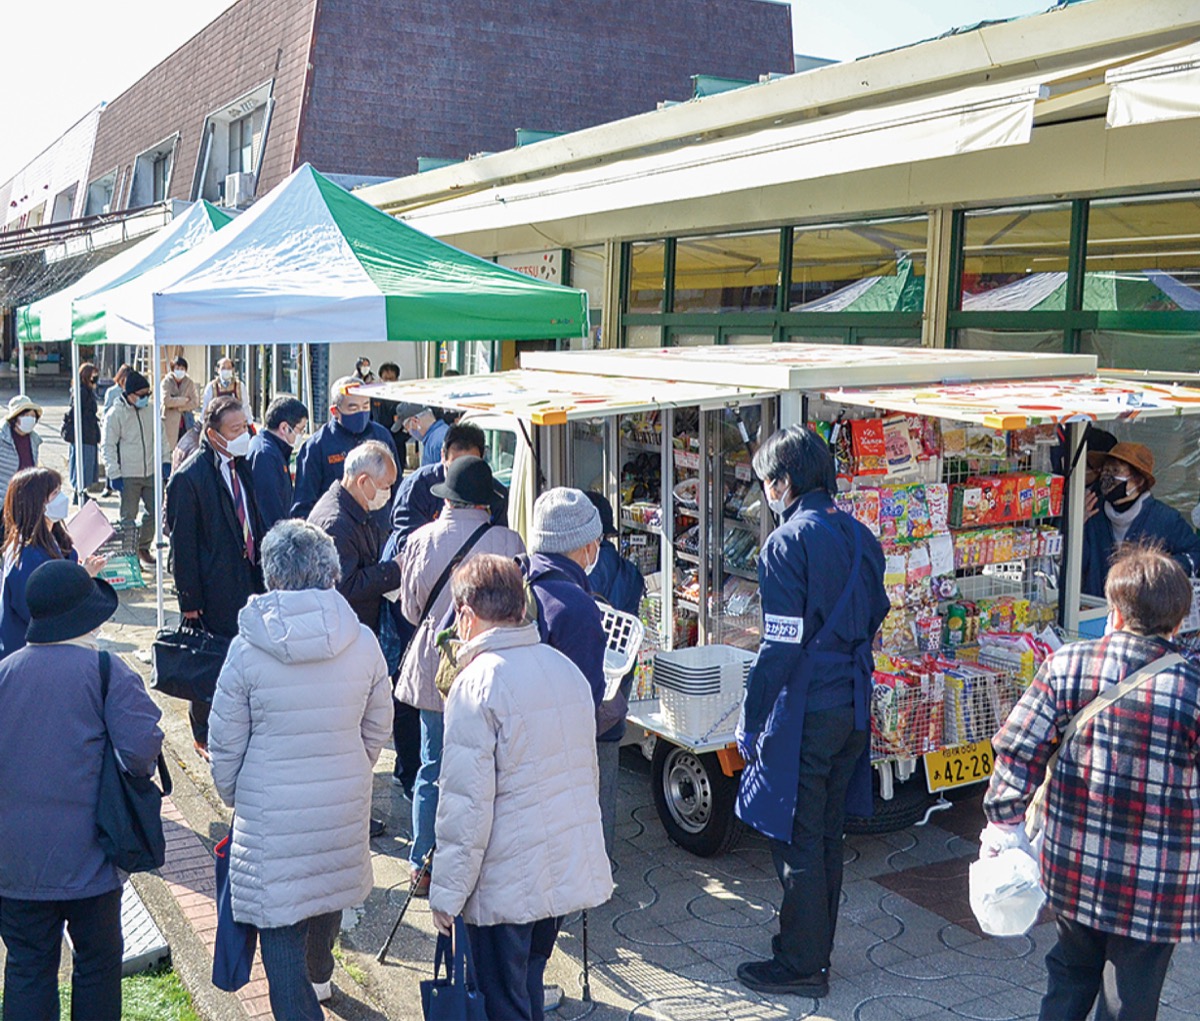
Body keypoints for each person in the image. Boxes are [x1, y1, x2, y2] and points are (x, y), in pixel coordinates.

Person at [984, 544, 1200, 1021]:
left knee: (1068, 975)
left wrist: (1005, 822)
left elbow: (1018, 748)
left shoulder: (1068, 664)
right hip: (1157, 881)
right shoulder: (1191, 686)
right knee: (1130, 997)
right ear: (1178, 623)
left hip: (1074, 863)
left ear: (1115, 612)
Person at [208, 519, 391, 1019]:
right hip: (341, 801)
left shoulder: (247, 649)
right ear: (331, 571)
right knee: (327, 888)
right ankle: (322, 975)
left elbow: (225, 742)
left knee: (280, 933)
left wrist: (232, 793)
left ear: (271, 574)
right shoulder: (363, 641)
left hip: (271, 812)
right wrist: (354, 765)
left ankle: (305, 997)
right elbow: (379, 726)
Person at [733, 425, 889, 998]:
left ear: (786, 481)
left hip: (806, 707)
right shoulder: (861, 535)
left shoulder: (786, 544)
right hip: (854, 704)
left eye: (767, 482)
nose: (765, 492)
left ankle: (799, 963)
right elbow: (879, 611)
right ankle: (815, 954)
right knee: (826, 834)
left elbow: (777, 646)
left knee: (798, 835)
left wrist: (750, 720)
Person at [429, 554, 613, 1021]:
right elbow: (584, 776)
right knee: (527, 985)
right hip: (557, 872)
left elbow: (465, 808)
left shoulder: (477, 685)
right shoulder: (563, 669)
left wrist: (446, 894)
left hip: (506, 880)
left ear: (467, 614)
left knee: (501, 1002)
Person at [0, 559, 163, 1021]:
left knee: (28, 967)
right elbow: (140, 752)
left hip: (15, 863)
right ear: (87, 618)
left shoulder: (5, 673)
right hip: (91, 858)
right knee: (96, 967)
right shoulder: (107, 671)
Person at [395, 455, 525, 891]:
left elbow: (411, 610)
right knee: (491, 768)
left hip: (438, 667)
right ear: (485, 503)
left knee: (433, 766)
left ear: (448, 499)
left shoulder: (419, 539)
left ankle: (423, 864)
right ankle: (485, 863)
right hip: (495, 667)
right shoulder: (508, 541)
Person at [165, 396, 265, 760]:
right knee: (209, 663)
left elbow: (252, 515)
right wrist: (189, 601)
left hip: (247, 578)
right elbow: (183, 545)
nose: (244, 435)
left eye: (246, 427)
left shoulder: (242, 465)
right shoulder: (190, 478)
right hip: (211, 587)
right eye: (236, 430)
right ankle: (203, 733)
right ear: (213, 434)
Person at [584, 491, 646, 858]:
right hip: (614, 700)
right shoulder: (631, 574)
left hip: (582, 696)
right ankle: (601, 861)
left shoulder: (581, 573)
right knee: (606, 783)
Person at [1, 467, 105, 660]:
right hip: (31, 656)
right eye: (55, 493)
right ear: (36, 503)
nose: (62, 498)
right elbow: (39, 610)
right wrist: (81, 576)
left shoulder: (54, 536)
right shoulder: (26, 556)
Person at [519, 487, 607, 710]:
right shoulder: (575, 607)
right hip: (548, 736)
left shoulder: (517, 573)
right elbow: (587, 695)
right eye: (599, 540)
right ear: (587, 545)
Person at [307, 440, 402, 636]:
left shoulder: (355, 507)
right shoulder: (336, 524)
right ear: (363, 481)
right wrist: (393, 570)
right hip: (343, 632)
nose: (388, 494)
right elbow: (346, 586)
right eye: (385, 486)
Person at [1081, 442, 1200, 597]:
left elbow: (1195, 554)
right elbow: (1076, 565)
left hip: (1145, 614)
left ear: (1138, 481)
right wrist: (1077, 525)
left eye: (1115, 471)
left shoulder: (1165, 518)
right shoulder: (1093, 513)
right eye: (1105, 470)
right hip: (1095, 611)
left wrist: (1155, 569)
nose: (1107, 476)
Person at [388, 421, 509, 556]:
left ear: (482, 459)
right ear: (442, 456)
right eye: (453, 468)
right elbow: (407, 545)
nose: (460, 477)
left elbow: (500, 544)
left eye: (469, 468)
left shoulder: (496, 494)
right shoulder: (416, 487)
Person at [291, 376, 399, 520]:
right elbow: (303, 503)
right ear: (335, 411)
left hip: (380, 528)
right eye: (353, 408)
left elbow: (397, 485)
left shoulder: (381, 436)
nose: (361, 412)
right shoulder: (317, 446)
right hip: (337, 527)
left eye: (366, 406)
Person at [101, 368, 169, 567]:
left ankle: (142, 546)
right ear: (129, 394)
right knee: (128, 518)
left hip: (151, 470)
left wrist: (165, 461)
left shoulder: (151, 410)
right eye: (141, 395)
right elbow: (108, 445)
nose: (145, 398)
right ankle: (129, 555)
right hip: (128, 474)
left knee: (155, 512)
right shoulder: (115, 414)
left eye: (148, 394)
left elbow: (161, 437)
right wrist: (113, 472)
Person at [247, 395, 308, 533]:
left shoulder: (271, 449)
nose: (302, 435)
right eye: (300, 429)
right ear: (284, 428)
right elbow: (271, 511)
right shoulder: (266, 456)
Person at [66, 362, 102, 503]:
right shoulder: (81, 392)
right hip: (83, 434)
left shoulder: (87, 390)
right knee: (82, 463)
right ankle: (78, 491)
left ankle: (82, 490)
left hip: (89, 433)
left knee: (87, 464)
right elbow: (75, 412)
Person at [0, 395, 43, 504]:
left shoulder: (34, 440)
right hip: (4, 500)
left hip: (26, 499)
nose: (30, 418)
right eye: (25, 415)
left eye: (32, 415)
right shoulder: (2, 438)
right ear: (15, 418)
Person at [99, 364, 130, 498]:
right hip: (113, 428)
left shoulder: (131, 390)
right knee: (111, 456)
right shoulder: (112, 391)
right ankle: (108, 485)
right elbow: (106, 410)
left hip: (127, 429)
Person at [161, 355, 201, 453]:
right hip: (170, 421)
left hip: (186, 421)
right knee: (171, 449)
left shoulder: (189, 382)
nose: (180, 371)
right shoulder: (166, 382)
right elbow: (166, 400)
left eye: (182, 368)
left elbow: (195, 402)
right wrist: (183, 400)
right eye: (177, 368)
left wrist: (179, 408)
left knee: (187, 449)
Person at [370, 361, 403, 433]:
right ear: (380, 379)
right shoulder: (373, 397)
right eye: (385, 378)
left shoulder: (403, 398)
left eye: (391, 379)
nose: (388, 381)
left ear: (397, 380)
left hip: (397, 438)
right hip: (377, 435)